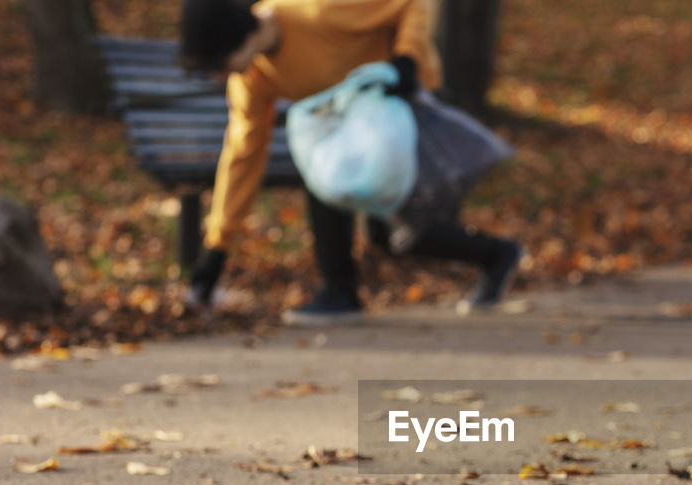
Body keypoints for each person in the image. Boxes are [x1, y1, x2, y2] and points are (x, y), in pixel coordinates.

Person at [179, 0, 522, 324]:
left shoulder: (321, 10)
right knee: (325, 176)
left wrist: (406, 59)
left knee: (401, 233)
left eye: (218, 64)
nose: (219, 77)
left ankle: (496, 254)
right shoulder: (252, 77)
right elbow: (243, 155)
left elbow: (414, 3)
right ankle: (339, 292)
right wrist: (217, 248)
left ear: (243, 38)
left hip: (400, 105)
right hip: (347, 130)